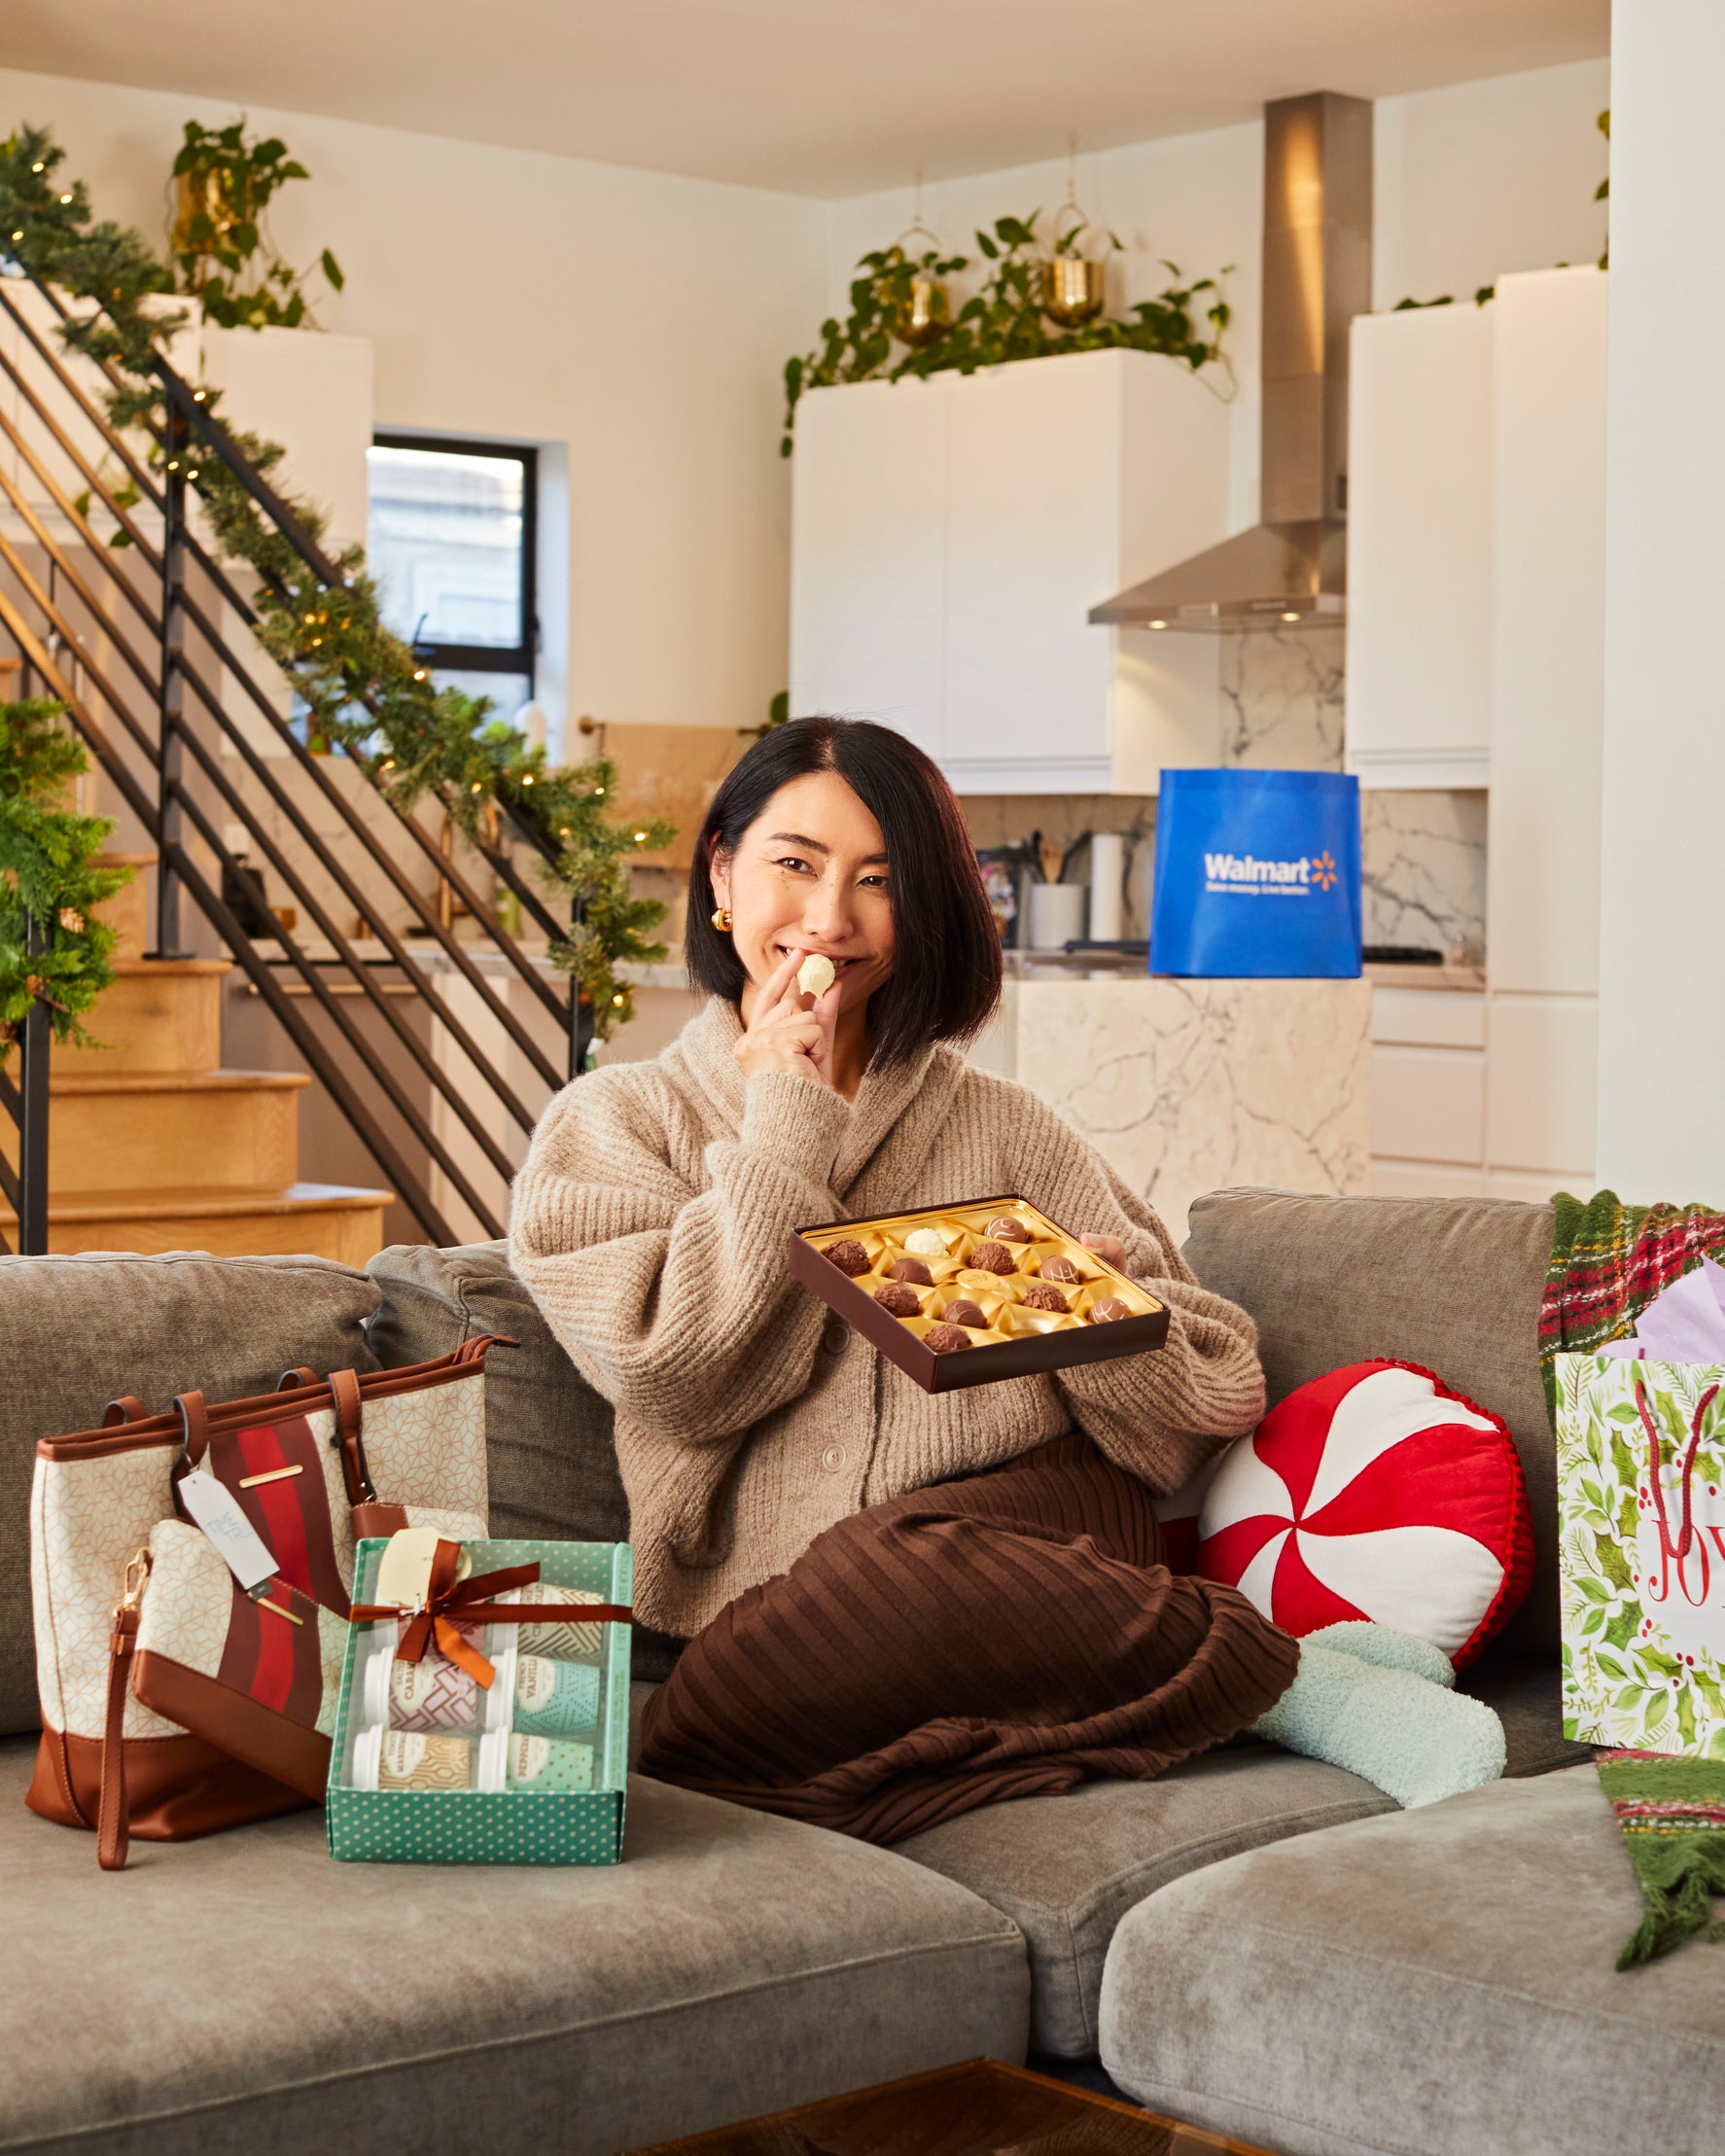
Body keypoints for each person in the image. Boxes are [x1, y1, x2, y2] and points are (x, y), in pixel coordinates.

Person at [510, 718, 1502, 1837]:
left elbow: (1210, 1400)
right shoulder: (611, 1127)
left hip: (1045, 1528)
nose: (830, 918)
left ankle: (1293, 1687)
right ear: (723, 875)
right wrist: (785, 1122)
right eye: (794, 863)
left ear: (921, 909)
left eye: (878, 880)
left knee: (875, 1580)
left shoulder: (1006, 1125)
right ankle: (1237, 1678)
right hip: (798, 1604)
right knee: (699, 1735)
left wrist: (1092, 1315)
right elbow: (681, 1376)